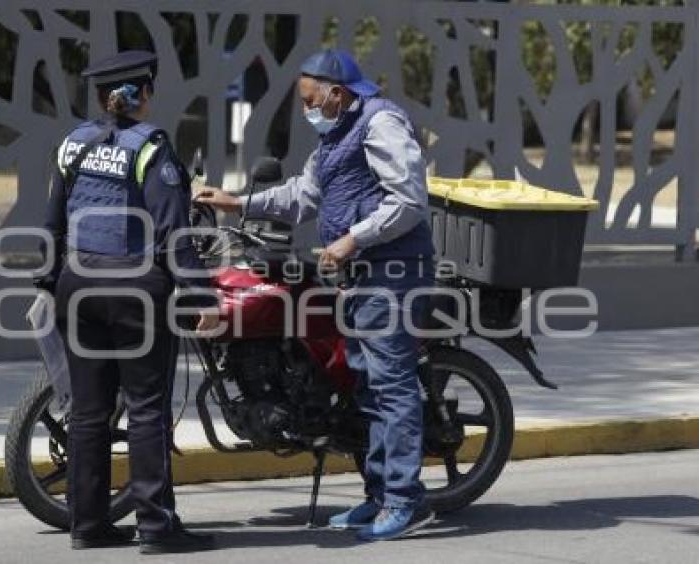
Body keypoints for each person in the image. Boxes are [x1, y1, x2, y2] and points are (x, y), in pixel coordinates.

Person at [195, 48, 436, 542]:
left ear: (336, 93)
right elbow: (301, 196)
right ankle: (377, 495)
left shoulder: (380, 123)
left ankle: (406, 500)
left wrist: (353, 238)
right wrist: (238, 202)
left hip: (392, 271)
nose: (309, 110)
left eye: (312, 100)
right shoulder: (332, 140)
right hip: (358, 277)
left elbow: (409, 201)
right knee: (365, 387)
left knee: (392, 388)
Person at [37, 50, 219, 553]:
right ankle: (158, 528)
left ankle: (87, 524)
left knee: (91, 411)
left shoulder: (72, 145)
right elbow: (173, 233)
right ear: (145, 95)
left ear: (101, 98)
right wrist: (201, 294)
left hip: (78, 285)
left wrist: (47, 280)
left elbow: (51, 220)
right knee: (145, 410)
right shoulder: (151, 149)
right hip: (135, 290)